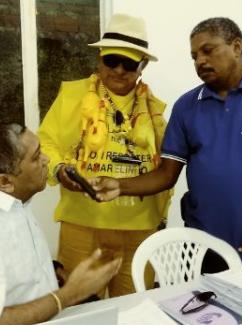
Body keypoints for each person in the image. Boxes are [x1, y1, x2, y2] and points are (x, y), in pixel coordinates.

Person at [92, 17, 242, 269]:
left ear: (237, 47)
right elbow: (166, 175)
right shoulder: (187, 106)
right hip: (200, 245)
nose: (200, 61)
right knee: (201, 308)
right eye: (194, 56)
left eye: (208, 51)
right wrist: (119, 186)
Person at [0, 122, 121, 325]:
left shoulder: (11, 197)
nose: (47, 160)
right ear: (4, 181)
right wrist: (70, 293)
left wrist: (61, 273)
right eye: (36, 157)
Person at [37, 13, 172, 297]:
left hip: (139, 227)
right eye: (112, 60)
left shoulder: (154, 110)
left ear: (142, 67)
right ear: (100, 59)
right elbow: (45, 143)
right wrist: (60, 170)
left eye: (130, 63)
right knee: (78, 308)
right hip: (83, 225)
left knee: (134, 308)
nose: (120, 70)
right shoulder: (72, 96)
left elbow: (166, 167)